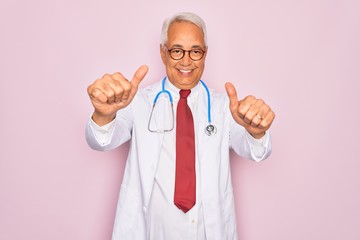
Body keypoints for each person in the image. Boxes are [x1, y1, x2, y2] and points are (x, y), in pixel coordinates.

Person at [86, 12, 275, 240]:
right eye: (177, 50)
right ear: (163, 53)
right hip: (151, 232)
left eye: (195, 51)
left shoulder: (223, 106)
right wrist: (103, 114)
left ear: (205, 54)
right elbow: (102, 140)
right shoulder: (138, 101)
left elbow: (255, 151)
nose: (186, 61)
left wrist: (256, 133)